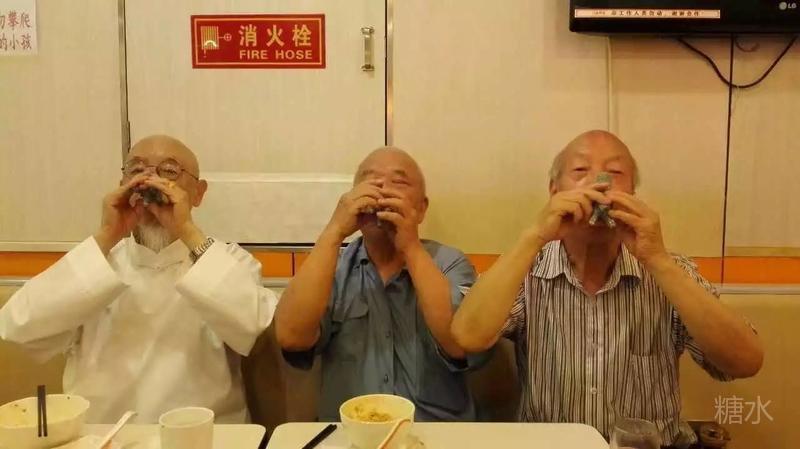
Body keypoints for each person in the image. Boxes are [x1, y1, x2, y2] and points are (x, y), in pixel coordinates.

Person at [451, 130, 763, 445]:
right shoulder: (527, 268)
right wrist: (534, 235)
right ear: (554, 191)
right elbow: (468, 336)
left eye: (614, 173)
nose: (599, 184)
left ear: (633, 194)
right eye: (580, 171)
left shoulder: (669, 270)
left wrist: (658, 260)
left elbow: (745, 362)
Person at [0, 135, 278, 423]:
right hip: (102, 437)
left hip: (206, 436)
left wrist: (187, 230)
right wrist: (107, 235)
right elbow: (18, 328)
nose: (150, 182)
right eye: (136, 170)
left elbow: (259, 333)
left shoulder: (229, 260)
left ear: (198, 193)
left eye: (169, 171)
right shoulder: (97, 262)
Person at [275, 147, 488, 422]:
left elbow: (459, 344)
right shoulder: (332, 266)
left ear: (422, 208)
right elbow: (291, 337)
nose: (382, 189)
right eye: (370, 180)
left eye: (398, 182)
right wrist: (334, 231)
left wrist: (410, 247)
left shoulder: (450, 263)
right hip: (351, 432)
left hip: (437, 431)